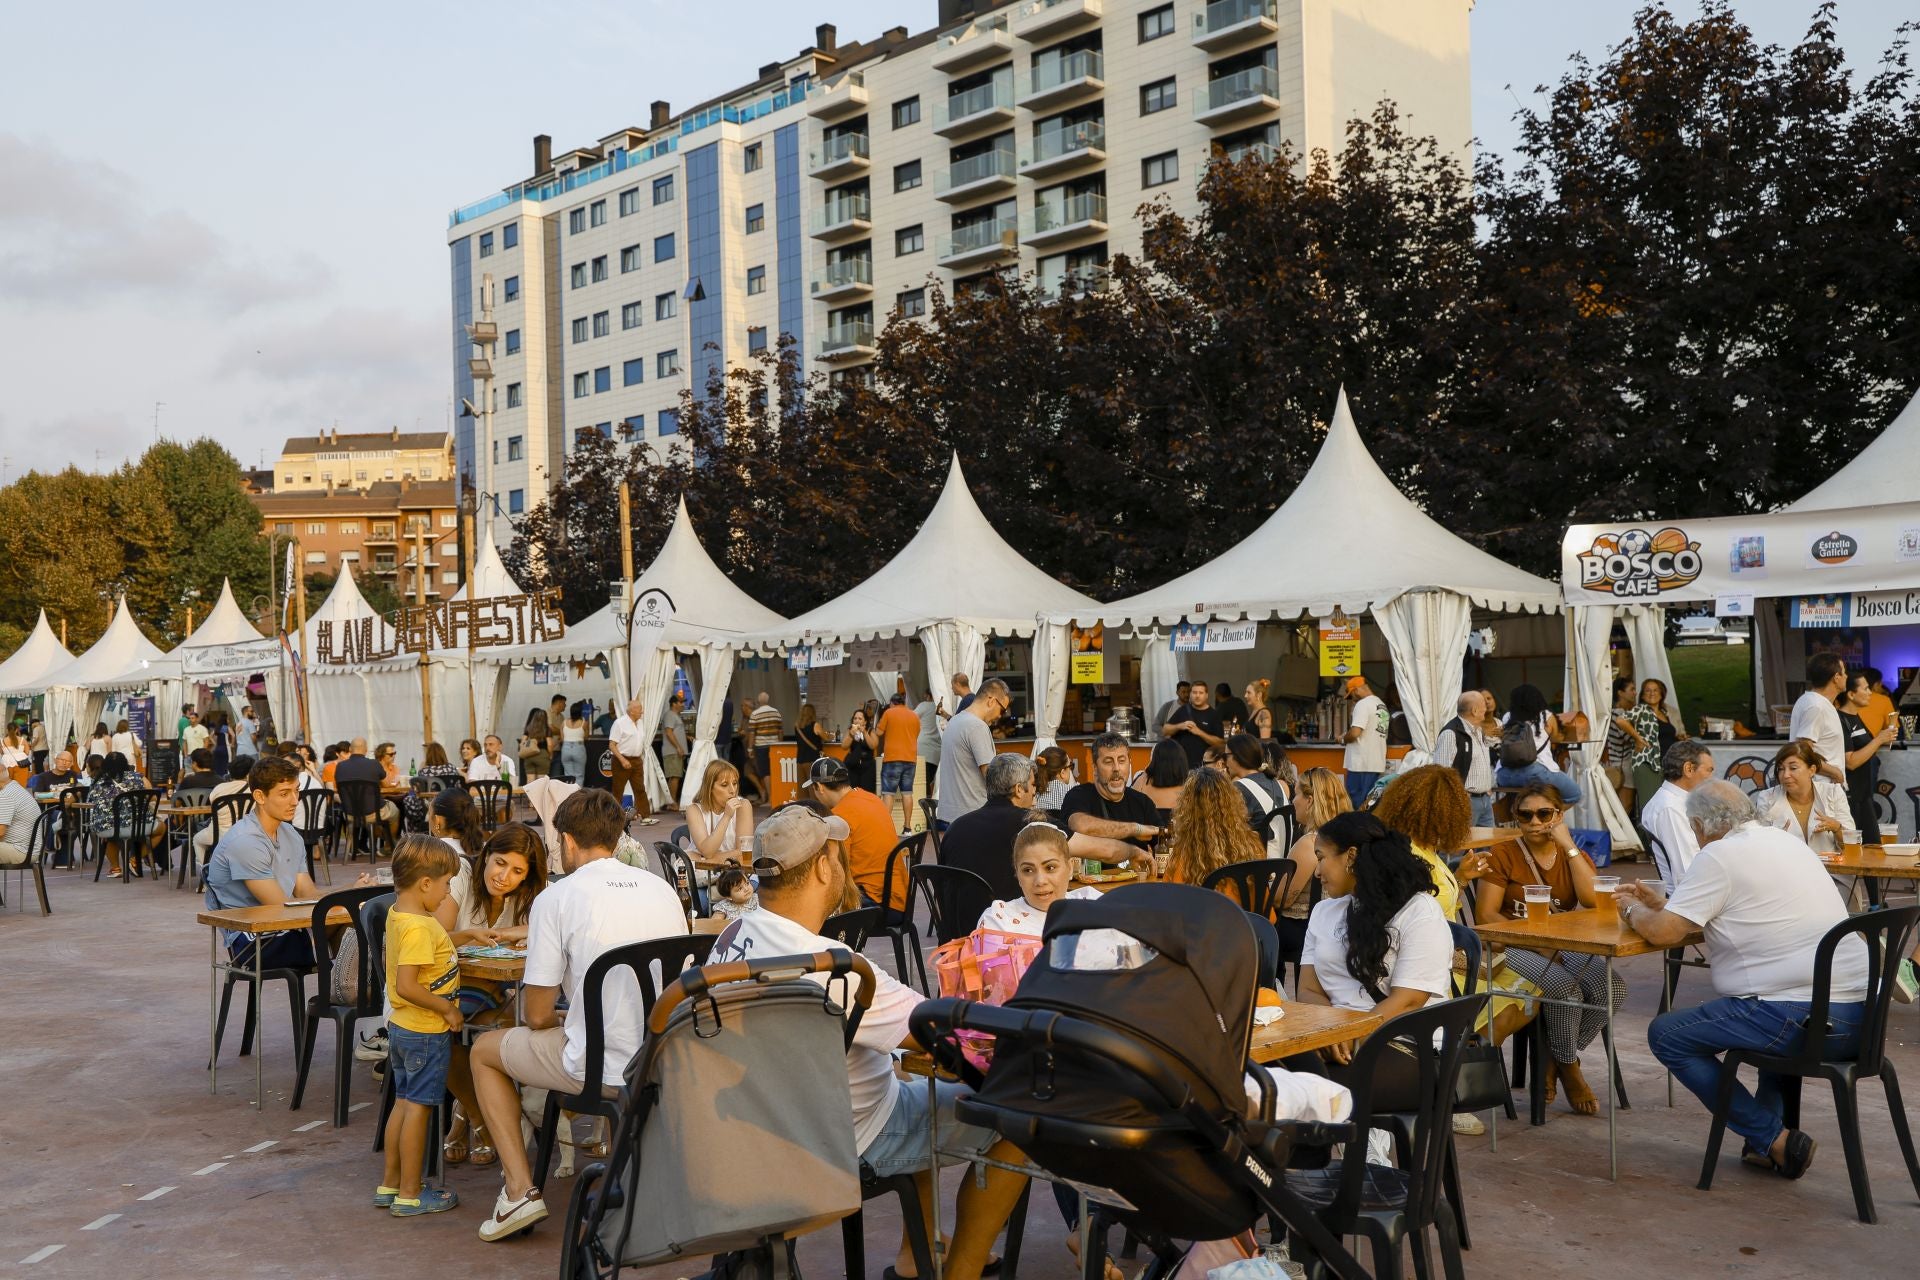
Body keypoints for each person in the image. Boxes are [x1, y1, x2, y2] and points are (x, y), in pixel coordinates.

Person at [714, 805, 1027, 1280]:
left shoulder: (731, 937)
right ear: (823, 867)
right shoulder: (833, 967)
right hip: (846, 1139)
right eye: (839, 856)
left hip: (758, 1129)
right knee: (1021, 1120)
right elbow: (935, 1033)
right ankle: (963, 1268)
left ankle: (914, 1255)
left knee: (907, 1085)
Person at [468, 788, 689, 1241]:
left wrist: (568, 1019)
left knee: (482, 1051)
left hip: (602, 1067)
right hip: (666, 1056)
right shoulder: (661, 889)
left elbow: (536, 1014)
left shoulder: (559, 897)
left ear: (567, 841)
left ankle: (518, 1191)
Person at [1621, 780, 1870, 1180]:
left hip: (1803, 1020)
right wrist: (1666, 907)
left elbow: (1665, 933)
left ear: (1700, 826)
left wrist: (1634, 911)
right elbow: (1726, 908)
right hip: (1862, 1019)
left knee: (1667, 1034)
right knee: (1765, 1022)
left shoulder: (1719, 855)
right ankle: (1764, 1146)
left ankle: (1773, 1138)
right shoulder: (1786, 842)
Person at [1472, 781, 1623, 1116]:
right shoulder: (1504, 854)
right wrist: (1534, 943)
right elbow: (1486, 916)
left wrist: (1567, 844)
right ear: (1516, 818)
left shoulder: (1574, 855)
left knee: (1611, 986)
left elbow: (1588, 899)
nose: (1535, 821)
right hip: (1510, 945)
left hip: (1560, 943)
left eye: (1544, 813)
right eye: (1525, 815)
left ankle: (1555, 1059)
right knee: (1564, 989)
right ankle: (1570, 1069)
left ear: (1559, 814)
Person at [1296, 811, 1454, 1099]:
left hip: (1407, 1045)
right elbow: (1307, 989)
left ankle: (1360, 1141)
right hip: (1338, 1038)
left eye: (1321, 857)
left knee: (1307, 1092)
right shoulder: (1324, 912)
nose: (1317, 871)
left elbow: (1408, 1002)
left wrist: (1348, 1037)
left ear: (1351, 856)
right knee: (1267, 1079)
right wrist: (1331, 1033)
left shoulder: (1419, 912)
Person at [435, 822, 549, 1167]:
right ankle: (479, 1118)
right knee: (447, 1028)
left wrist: (509, 930)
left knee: (497, 1028)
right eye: (500, 863)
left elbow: (544, 927)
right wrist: (470, 934)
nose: (504, 877)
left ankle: (463, 1114)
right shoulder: (460, 875)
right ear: (486, 856)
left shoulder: (527, 895)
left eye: (517, 871)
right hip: (436, 986)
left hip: (490, 988)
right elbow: (433, 936)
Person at [375, 835, 464, 1218]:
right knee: (420, 1110)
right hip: (425, 1030)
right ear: (425, 883)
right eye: (446, 884)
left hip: (402, 1028)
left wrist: (467, 936)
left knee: (404, 1102)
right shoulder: (419, 928)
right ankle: (411, 1194)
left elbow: (427, 953)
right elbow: (406, 985)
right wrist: (447, 1009)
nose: (447, 894)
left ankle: (391, 1184)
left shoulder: (403, 915)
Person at [202, 756, 326, 967]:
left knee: (360, 929)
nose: (295, 800)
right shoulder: (246, 841)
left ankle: (345, 994)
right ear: (259, 796)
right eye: (285, 794)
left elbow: (307, 895)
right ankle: (342, 994)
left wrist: (351, 895)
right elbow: (280, 906)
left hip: (285, 928)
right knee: (353, 936)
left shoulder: (290, 833)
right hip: (253, 941)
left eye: (297, 791)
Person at [931, 753, 1036, 902]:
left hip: (956, 922)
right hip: (1001, 922)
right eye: (1032, 784)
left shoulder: (956, 827)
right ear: (1019, 789)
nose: (1034, 791)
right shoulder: (1030, 823)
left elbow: (941, 885)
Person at [1058, 733, 1161, 863]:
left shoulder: (1143, 802)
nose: (1116, 768)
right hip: (1092, 882)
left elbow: (1162, 844)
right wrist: (1136, 829)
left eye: (1122, 761)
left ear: (1129, 764)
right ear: (1095, 768)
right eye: (1108, 762)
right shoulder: (1079, 794)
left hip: (1137, 882)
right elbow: (1079, 825)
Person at [1163, 767, 1265, 894]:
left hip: (1206, 913)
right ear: (1232, 804)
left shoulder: (1182, 858)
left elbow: (1171, 901)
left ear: (1187, 811)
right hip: (1245, 914)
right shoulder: (1253, 846)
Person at [1638, 739, 1717, 888]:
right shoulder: (1670, 808)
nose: (1711, 778)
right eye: (1709, 770)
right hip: (1689, 897)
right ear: (1689, 769)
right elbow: (1686, 870)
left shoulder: (1675, 802)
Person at [1752, 740, 1853, 855]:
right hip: (1786, 870)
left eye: (1793, 768)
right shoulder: (1767, 797)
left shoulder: (1833, 793)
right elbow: (1761, 846)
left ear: (1812, 770)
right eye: (1781, 769)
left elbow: (1852, 845)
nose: (1785, 775)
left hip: (1828, 871)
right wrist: (1775, 839)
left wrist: (1837, 828)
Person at [1493, 683, 1585, 806]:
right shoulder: (1546, 715)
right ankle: (1545, 817)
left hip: (1504, 775)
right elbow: (1556, 738)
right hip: (1535, 773)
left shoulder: (1508, 717)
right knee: (1575, 794)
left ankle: (1529, 816)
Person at [937, 678, 1008, 825]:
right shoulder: (977, 726)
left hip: (951, 816)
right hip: (974, 816)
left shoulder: (955, 721)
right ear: (991, 701)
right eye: (1002, 710)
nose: (1000, 716)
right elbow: (991, 777)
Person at [1839, 670, 1899, 837]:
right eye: (1865, 689)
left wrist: (1885, 737)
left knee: (1872, 847)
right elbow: (1850, 761)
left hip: (1864, 796)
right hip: (1850, 798)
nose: (1870, 693)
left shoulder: (1855, 717)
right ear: (1851, 694)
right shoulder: (1840, 719)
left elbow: (1864, 747)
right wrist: (1879, 740)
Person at [1432, 690, 1497, 826]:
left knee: (1488, 846)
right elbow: (1441, 772)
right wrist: (1459, 796)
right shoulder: (1450, 733)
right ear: (1474, 710)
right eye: (1483, 705)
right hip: (1465, 802)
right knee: (1460, 845)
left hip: (1485, 800)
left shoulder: (1478, 730)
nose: (1486, 708)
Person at [89, 751, 155, 878]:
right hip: (138, 826)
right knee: (161, 829)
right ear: (125, 763)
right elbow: (151, 796)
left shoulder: (98, 781)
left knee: (108, 836)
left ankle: (115, 868)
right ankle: (135, 859)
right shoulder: (137, 777)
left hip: (108, 828)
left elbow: (91, 800)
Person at [1222, 732, 1291, 851]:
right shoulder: (1276, 782)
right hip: (1281, 860)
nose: (1224, 762)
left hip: (1258, 863)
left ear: (1238, 757)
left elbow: (1227, 830)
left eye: (1226, 756)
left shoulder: (1238, 788)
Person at [1788, 653, 1849, 785]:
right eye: (1844, 672)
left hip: (1825, 787)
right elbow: (1803, 750)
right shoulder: (1816, 706)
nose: (1846, 676)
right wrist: (1835, 772)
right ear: (1836, 677)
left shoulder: (1816, 702)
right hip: (1820, 787)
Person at [683, 758, 755, 865]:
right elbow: (708, 851)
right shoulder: (693, 810)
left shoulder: (743, 806)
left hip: (729, 868)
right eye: (724, 785)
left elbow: (743, 854)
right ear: (710, 787)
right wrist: (726, 817)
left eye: (734, 783)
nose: (732, 790)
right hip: (702, 872)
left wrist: (703, 860)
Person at [336, 737, 400, 844]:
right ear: (366, 749)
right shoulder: (374, 764)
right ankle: (389, 845)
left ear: (350, 749)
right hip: (373, 812)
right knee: (395, 810)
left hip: (350, 813)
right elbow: (386, 783)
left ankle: (383, 839)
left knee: (376, 815)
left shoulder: (340, 767)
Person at [1340, 675, 1389, 809]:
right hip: (1376, 763)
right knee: (1369, 804)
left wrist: (1343, 738)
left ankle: (1358, 830)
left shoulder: (1363, 704)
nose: (1353, 699)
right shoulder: (1381, 704)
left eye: (1351, 695)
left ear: (1355, 690)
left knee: (1357, 805)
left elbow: (1355, 732)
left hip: (1361, 764)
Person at [873, 693, 921, 830]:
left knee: (888, 793)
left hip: (892, 758)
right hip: (910, 759)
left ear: (892, 703)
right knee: (907, 793)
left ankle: (885, 827)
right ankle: (907, 828)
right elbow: (916, 734)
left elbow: (879, 732)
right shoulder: (914, 715)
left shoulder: (889, 713)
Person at [1602, 677, 1650, 814]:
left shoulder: (1613, 713)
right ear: (1620, 693)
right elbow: (1627, 738)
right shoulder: (1620, 714)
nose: (1635, 693)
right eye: (1632, 689)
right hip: (1624, 763)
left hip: (1616, 762)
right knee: (1626, 804)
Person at [606, 697, 653, 821]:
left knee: (640, 788)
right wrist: (622, 760)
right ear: (631, 711)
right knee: (618, 790)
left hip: (637, 759)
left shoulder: (640, 723)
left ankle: (645, 816)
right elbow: (612, 744)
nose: (641, 712)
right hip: (621, 759)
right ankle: (614, 817)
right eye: (639, 709)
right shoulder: (619, 723)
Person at [402, 742, 465, 831]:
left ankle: (415, 833)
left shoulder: (425, 771)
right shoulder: (452, 768)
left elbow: (419, 789)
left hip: (430, 806)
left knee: (408, 799)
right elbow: (458, 787)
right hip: (450, 806)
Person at [1163, 681, 1225, 771]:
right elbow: (1165, 730)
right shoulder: (1183, 710)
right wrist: (1180, 726)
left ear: (1206, 695)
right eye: (1194, 692)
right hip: (1180, 765)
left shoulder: (1214, 715)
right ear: (1190, 694)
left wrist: (1199, 732)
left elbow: (1220, 743)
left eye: (1201, 693)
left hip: (1204, 767)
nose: (1197, 696)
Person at [1129, 739, 1189, 828]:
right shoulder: (1190, 784)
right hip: (1181, 838)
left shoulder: (1142, 780)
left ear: (1155, 760)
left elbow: (1130, 808)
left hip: (1147, 837)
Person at [0, 771, 41, 868]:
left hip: (21, 851)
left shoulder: (5, 795)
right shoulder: (15, 788)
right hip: (28, 850)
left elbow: (1, 832)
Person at [914, 689, 943, 808]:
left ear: (927, 695)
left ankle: (925, 811)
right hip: (937, 750)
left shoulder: (924, 705)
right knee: (932, 782)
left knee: (923, 783)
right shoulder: (941, 708)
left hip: (923, 748)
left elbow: (910, 717)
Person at [659, 692, 688, 806]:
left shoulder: (675, 716)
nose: (683, 705)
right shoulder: (670, 715)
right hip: (672, 752)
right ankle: (672, 803)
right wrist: (678, 747)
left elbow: (675, 732)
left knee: (675, 776)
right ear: (674, 704)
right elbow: (669, 732)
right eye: (681, 702)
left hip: (675, 752)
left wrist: (687, 737)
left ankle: (671, 801)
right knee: (674, 777)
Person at [842, 706, 877, 794]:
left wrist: (865, 733)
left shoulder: (870, 730)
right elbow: (844, 746)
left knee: (867, 792)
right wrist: (851, 735)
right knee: (853, 791)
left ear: (865, 721)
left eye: (860, 718)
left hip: (867, 767)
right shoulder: (850, 730)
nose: (857, 720)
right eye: (855, 718)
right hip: (853, 766)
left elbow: (873, 745)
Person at [1030, 746, 1073, 814]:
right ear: (1062, 772)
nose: (1071, 769)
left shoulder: (1032, 793)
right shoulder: (1073, 792)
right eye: (1071, 766)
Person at [558, 701, 590, 785]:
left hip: (566, 748)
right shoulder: (584, 723)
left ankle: (569, 796)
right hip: (578, 748)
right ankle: (578, 797)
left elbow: (562, 738)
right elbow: (586, 737)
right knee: (579, 776)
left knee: (568, 775)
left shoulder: (564, 723)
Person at [518, 708, 552, 781]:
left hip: (529, 756)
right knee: (541, 782)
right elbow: (549, 744)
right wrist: (550, 755)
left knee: (530, 782)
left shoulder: (528, 728)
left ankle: (530, 793)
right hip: (542, 754)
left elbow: (522, 742)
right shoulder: (547, 729)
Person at [794, 702, 825, 769]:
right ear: (812, 713)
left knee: (802, 780)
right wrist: (830, 735)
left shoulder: (797, 726)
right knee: (813, 779)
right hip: (812, 760)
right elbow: (826, 738)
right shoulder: (815, 725)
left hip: (800, 760)